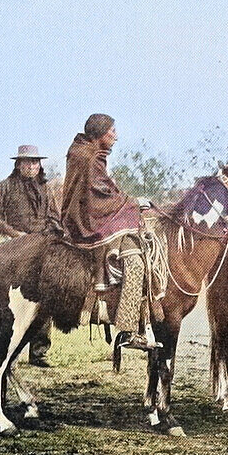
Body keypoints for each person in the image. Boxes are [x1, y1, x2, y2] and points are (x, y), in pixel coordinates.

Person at [61, 114, 155, 353]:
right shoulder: (89, 157)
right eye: (112, 131)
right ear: (100, 132)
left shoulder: (83, 152)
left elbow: (104, 190)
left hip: (84, 215)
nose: (116, 136)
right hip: (88, 222)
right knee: (134, 260)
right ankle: (127, 329)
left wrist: (127, 201)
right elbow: (100, 195)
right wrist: (133, 203)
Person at [0, 144, 56, 367]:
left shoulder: (46, 189)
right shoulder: (5, 187)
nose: (31, 166)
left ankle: (38, 350)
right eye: (27, 162)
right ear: (18, 165)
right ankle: (5, 347)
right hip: (12, 248)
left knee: (45, 297)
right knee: (8, 307)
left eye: (35, 162)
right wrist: (16, 235)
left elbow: (55, 218)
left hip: (40, 249)